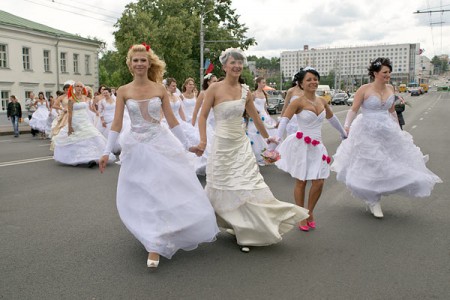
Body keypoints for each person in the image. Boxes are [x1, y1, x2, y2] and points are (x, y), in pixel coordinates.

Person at [99, 43, 218, 268]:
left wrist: (187, 145)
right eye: (136, 60)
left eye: (143, 60)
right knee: (143, 193)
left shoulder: (159, 89)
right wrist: (106, 151)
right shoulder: (123, 91)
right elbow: (116, 124)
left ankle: (160, 237)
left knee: (163, 190)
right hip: (136, 146)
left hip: (160, 142)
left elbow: (172, 121)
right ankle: (154, 241)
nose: (140, 64)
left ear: (149, 63)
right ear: (130, 64)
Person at [195, 48, 309, 253]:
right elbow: (203, 116)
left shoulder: (245, 90)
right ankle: (231, 224)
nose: (237, 66)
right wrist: (203, 141)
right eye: (233, 63)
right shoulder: (214, 89)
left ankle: (246, 230)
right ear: (225, 66)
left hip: (240, 144)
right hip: (221, 144)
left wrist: (268, 138)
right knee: (222, 184)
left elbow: (255, 117)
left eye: (240, 63)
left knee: (246, 184)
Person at [331, 57, 442, 218]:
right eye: (384, 72)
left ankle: (376, 195)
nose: (388, 74)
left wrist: (398, 130)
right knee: (372, 164)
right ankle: (373, 200)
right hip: (367, 129)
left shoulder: (390, 88)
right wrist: (347, 126)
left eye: (389, 72)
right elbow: (353, 110)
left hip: (386, 129)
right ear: (375, 73)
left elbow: (391, 111)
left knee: (390, 163)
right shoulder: (364, 89)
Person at [275, 67, 347, 231]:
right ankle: (301, 215)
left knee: (319, 181)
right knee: (301, 181)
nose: (313, 82)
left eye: (315, 79)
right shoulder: (297, 102)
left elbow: (332, 119)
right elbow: (285, 121)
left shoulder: (322, 101)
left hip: (318, 146)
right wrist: (276, 140)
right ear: (301, 83)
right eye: (309, 80)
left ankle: (310, 211)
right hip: (302, 144)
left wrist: (344, 134)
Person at [52, 82, 114, 167]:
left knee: (93, 136)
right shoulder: (71, 99)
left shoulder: (84, 97)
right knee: (77, 140)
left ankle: (93, 157)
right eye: (77, 86)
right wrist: (70, 127)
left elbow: (90, 107)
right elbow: (70, 114)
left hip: (85, 120)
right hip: (75, 121)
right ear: (74, 88)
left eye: (81, 86)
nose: (79, 88)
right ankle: (81, 159)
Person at [278, 72, 304, 137]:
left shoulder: (306, 91)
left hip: (303, 118)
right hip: (292, 118)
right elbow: (285, 106)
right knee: (292, 137)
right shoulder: (291, 91)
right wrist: (281, 119)